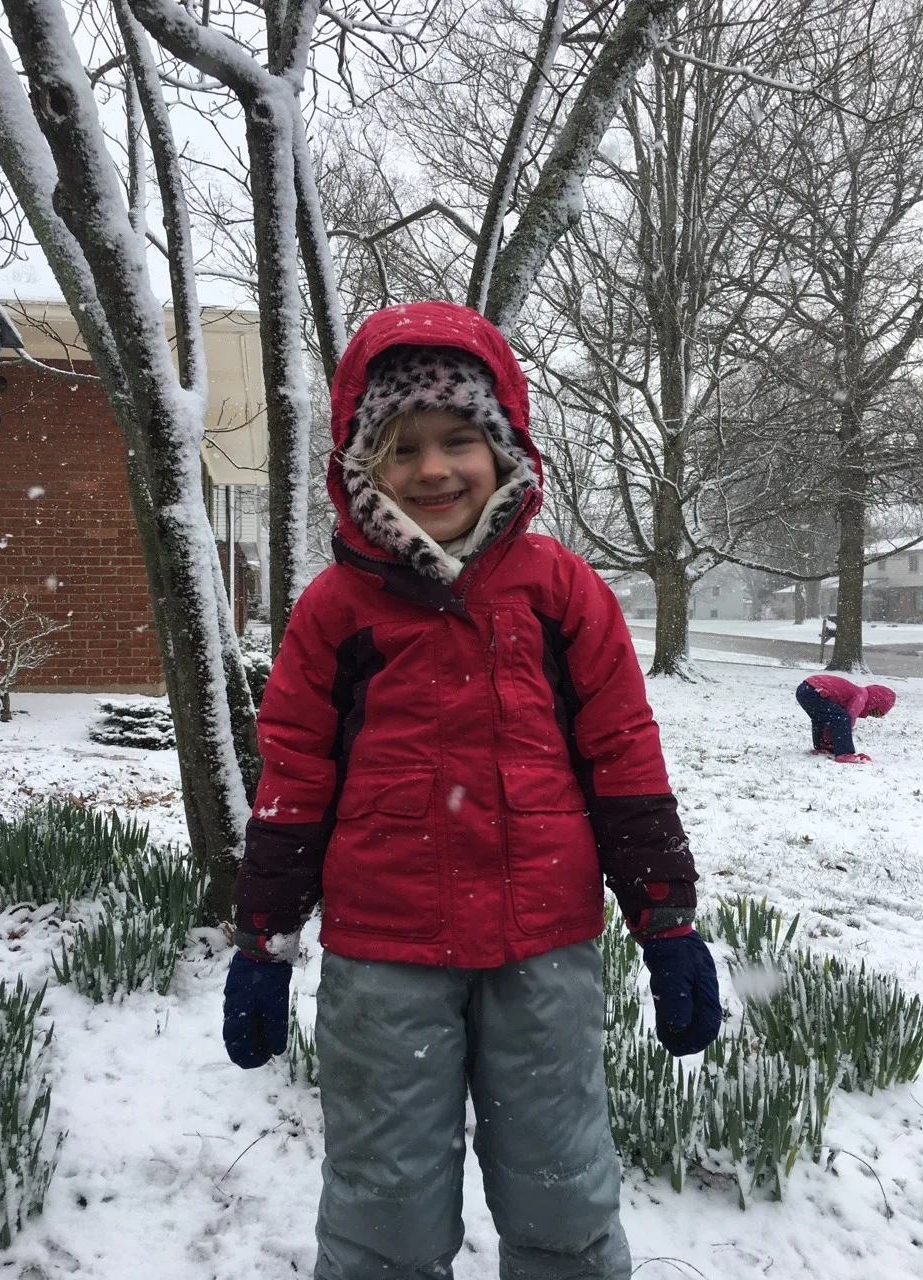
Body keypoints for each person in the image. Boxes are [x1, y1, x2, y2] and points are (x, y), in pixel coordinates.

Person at [221, 301, 722, 1280]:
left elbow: (624, 759)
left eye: (460, 438)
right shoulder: (334, 614)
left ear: (505, 447)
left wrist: (667, 923)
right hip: (385, 958)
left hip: (543, 951)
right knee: (383, 1205)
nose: (435, 467)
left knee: (562, 1186)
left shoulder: (559, 591)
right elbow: (294, 784)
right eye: (402, 447)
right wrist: (264, 941)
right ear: (363, 466)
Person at [795, 673, 896, 764]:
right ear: (875, 703)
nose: (870, 714)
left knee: (822, 719)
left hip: (805, 689)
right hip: (815, 691)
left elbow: (832, 722)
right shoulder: (861, 696)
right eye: (873, 712)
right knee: (842, 718)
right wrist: (844, 744)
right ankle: (844, 754)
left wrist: (831, 741)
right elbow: (848, 718)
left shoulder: (856, 692)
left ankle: (822, 746)